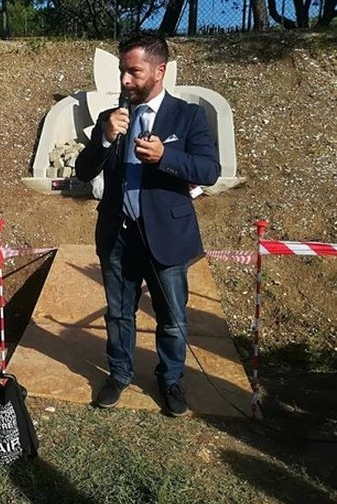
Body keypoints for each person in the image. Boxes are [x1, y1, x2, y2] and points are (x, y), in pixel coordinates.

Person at [75, 33, 220, 417]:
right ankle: (119, 374)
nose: (124, 80)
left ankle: (170, 380)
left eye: (133, 72)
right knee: (118, 313)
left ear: (159, 71)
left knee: (172, 317)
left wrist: (166, 156)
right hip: (118, 235)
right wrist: (105, 139)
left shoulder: (188, 116)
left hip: (166, 236)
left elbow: (209, 170)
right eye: (123, 70)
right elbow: (83, 170)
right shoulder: (112, 119)